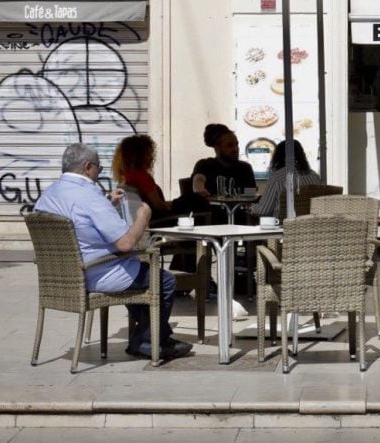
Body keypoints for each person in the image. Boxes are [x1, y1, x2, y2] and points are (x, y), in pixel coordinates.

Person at [34, 143, 192, 360]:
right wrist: (143, 217)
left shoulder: (48, 195)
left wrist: (108, 203)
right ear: (87, 166)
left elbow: (78, 221)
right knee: (163, 281)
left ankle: (156, 337)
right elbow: (126, 243)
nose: (99, 173)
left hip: (64, 277)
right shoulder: (89, 197)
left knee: (139, 276)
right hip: (99, 273)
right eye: (98, 168)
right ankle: (145, 341)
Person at [112, 134, 192, 221]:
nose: (151, 157)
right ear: (140, 155)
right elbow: (158, 206)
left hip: (140, 222)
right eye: (149, 152)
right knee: (191, 199)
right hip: (155, 221)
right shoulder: (142, 177)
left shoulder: (125, 177)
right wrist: (175, 211)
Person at [253, 139, 321, 218]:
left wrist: (250, 207)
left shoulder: (277, 178)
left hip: (283, 226)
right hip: (310, 225)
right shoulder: (315, 176)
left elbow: (263, 210)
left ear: (278, 157)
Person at [191, 124, 257, 198]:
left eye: (236, 144)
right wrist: (200, 190)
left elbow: (250, 195)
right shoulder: (205, 165)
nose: (235, 149)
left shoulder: (245, 168)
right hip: (211, 209)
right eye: (230, 145)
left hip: (239, 209)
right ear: (217, 148)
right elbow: (198, 179)